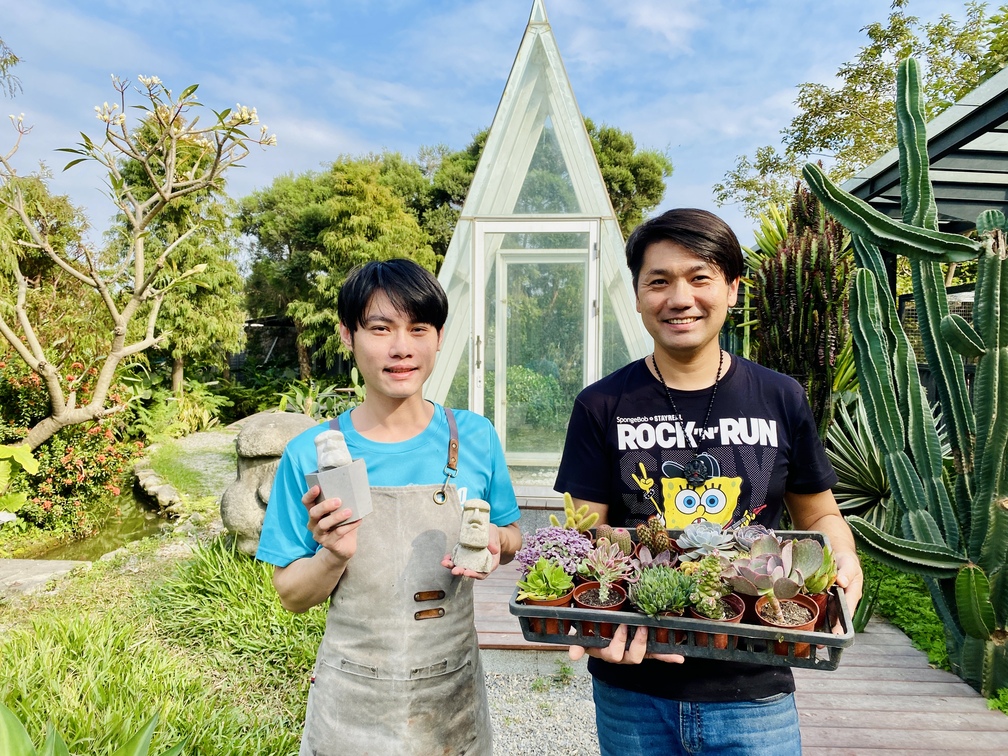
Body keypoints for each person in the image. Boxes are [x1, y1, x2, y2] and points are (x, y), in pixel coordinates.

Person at [554, 208, 863, 756]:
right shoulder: (602, 404)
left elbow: (818, 515)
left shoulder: (780, 397)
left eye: (700, 277)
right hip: (635, 686)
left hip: (755, 684)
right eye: (659, 281)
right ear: (638, 295)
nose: (679, 297)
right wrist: (594, 619)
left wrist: (843, 557)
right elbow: (585, 533)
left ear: (733, 289)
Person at [257, 258, 522, 756]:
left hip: (452, 696)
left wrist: (495, 543)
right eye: (380, 329)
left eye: (418, 328)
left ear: (438, 337)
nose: (401, 348)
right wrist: (332, 555)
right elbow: (291, 595)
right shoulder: (312, 453)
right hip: (351, 700)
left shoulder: (475, 438)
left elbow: (510, 537)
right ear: (347, 335)